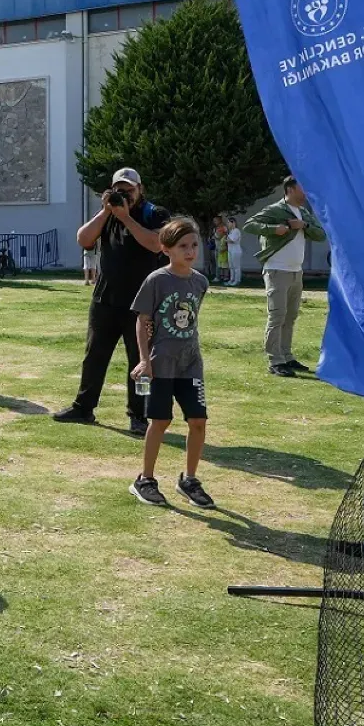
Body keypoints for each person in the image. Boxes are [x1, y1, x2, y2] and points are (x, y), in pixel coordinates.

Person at [52, 168, 171, 434]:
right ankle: (83, 407)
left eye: (128, 190)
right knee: (94, 356)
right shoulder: (108, 214)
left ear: (140, 189)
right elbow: (84, 239)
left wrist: (126, 217)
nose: (123, 194)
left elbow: (156, 244)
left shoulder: (155, 213)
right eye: (118, 189)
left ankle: (139, 415)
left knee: (140, 361)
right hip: (105, 299)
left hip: (142, 303)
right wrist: (107, 211)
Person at [129, 218, 215, 510]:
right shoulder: (157, 281)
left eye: (194, 245)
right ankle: (145, 479)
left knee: (198, 422)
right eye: (183, 246)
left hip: (191, 364)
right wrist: (144, 360)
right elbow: (143, 322)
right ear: (166, 249)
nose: (190, 251)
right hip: (160, 365)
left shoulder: (200, 282)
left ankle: (189, 479)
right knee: (161, 421)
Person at [243, 175, 326, 378]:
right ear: (290, 189)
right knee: (277, 316)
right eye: (302, 187)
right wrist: (274, 229)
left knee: (290, 316)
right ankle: (275, 360)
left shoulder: (304, 212)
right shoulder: (276, 210)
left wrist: (304, 226)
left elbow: (321, 234)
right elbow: (250, 225)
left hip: (296, 272)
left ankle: (287, 356)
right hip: (277, 270)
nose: (305, 191)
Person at [225, 218, 243, 287]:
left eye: (229, 222)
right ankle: (231, 279)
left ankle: (237, 280)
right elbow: (227, 240)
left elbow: (231, 240)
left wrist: (226, 236)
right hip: (230, 250)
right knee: (231, 267)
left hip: (236, 251)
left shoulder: (236, 231)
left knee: (236, 267)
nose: (227, 224)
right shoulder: (231, 231)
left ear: (233, 223)